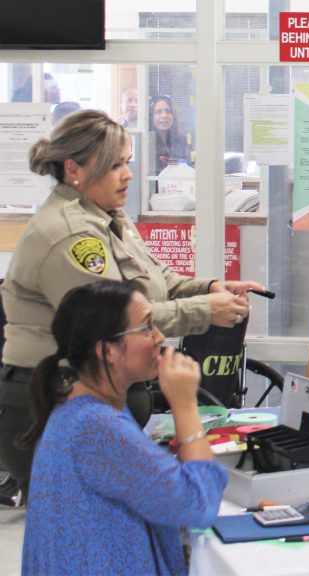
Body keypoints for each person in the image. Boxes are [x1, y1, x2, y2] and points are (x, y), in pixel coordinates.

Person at [0, 110, 258, 501]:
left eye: (128, 163)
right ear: (75, 169)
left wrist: (210, 287)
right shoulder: (69, 235)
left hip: (98, 392)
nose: (128, 175)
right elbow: (117, 322)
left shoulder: (107, 217)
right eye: (115, 165)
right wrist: (206, 310)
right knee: (78, 525)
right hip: (54, 397)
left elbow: (155, 281)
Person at [19, 281, 227, 575]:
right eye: (146, 328)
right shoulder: (96, 427)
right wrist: (185, 405)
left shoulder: (78, 407)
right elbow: (198, 506)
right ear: (107, 350)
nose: (159, 337)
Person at [150, 95, 193, 173]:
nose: (164, 115)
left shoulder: (182, 141)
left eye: (168, 111)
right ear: (151, 117)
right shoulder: (148, 144)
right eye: (158, 112)